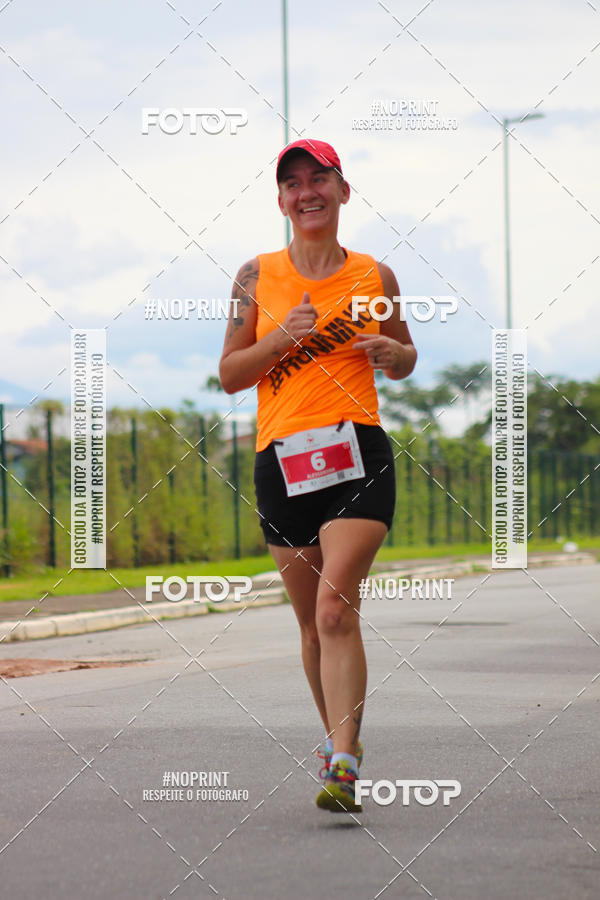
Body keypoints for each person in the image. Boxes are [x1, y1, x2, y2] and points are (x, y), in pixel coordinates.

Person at [219, 139, 417, 812]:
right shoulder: (255, 276)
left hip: (357, 451)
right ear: (281, 201)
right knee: (310, 625)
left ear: (342, 191)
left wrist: (397, 352)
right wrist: (281, 338)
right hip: (280, 458)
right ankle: (344, 746)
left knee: (337, 608)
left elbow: (404, 355)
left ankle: (339, 761)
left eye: (319, 179)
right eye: (293, 183)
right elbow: (228, 376)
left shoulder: (375, 275)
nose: (307, 191)